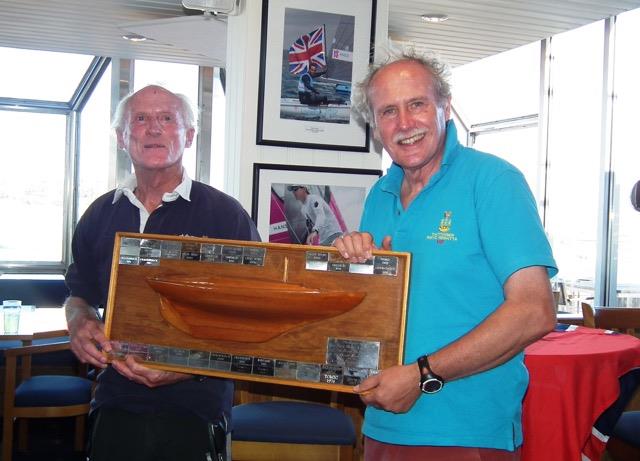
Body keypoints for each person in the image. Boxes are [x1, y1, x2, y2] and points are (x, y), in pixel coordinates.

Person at [334, 49, 558, 460]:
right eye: (388, 111)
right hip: (382, 422)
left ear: (445, 107)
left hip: (465, 431)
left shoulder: (493, 181)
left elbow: (534, 311)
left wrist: (421, 377)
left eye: (416, 104)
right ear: (375, 125)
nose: (404, 124)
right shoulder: (379, 197)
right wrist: (345, 266)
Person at [64, 84, 260, 461]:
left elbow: (252, 318)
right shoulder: (99, 214)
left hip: (195, 407)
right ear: (123, 137)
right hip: (115, 401)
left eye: (167, 119)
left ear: (188, 136)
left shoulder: (226, 216)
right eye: (140, 119)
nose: (153, 129)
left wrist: (185, 369)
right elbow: (80, 292)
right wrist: (78, 321)